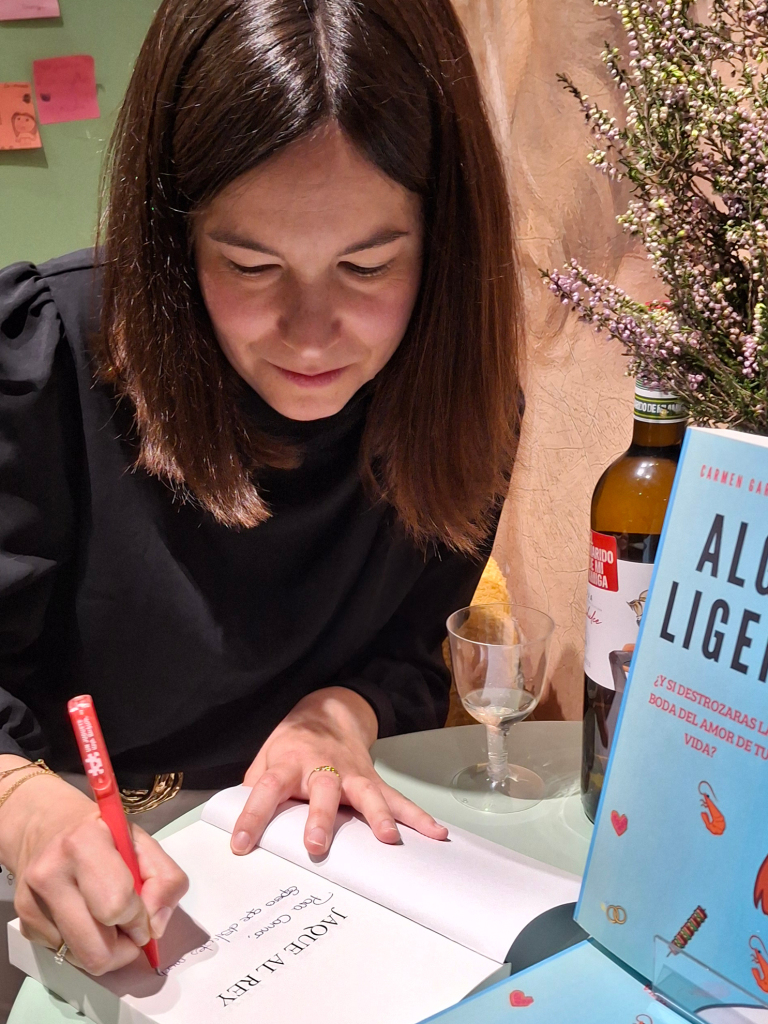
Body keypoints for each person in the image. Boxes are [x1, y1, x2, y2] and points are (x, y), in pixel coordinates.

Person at [0, 0, 523, 1001]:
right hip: (63, 896)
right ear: (173, 237)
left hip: (318, 888)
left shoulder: (454, 395)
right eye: (249, 265)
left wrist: (339, 714)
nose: (312, 332)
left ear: (442, 242)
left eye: (368, 265)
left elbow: (413, 648)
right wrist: (25, 808)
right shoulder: (43, 364)